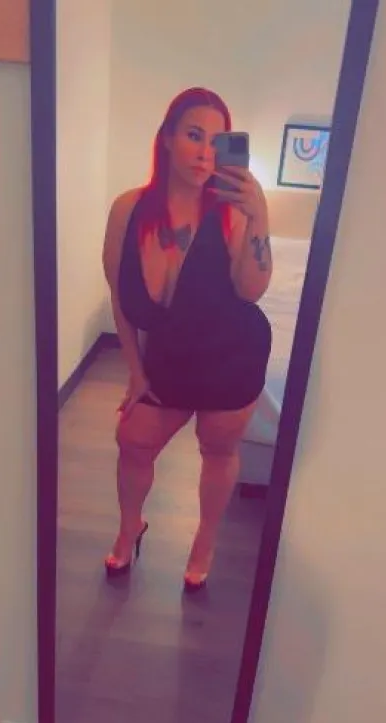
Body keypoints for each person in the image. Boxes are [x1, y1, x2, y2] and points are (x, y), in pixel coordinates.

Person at [102, 87, 273, 591]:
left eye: (217, 142)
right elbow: (119, 294)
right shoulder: (128, 210)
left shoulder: (234, 213)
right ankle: (130, 526)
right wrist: (136, 371)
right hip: (169, 361)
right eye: (194, 135)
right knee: (132, 439)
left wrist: (260, 216)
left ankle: (205, 540)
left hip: (231, 359)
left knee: (218, 451)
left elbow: (252, 290)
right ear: (167, 138)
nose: (204, 152)